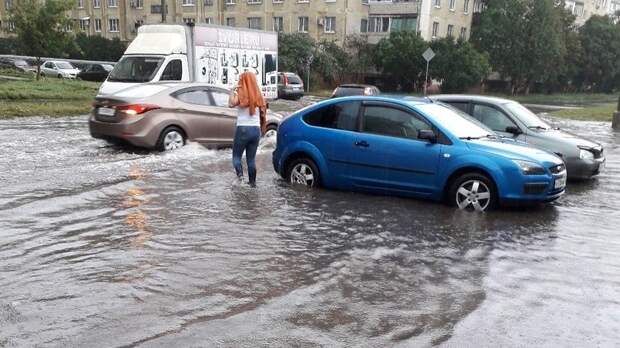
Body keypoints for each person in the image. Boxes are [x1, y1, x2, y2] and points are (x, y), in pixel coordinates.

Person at [228, 71, 267, 187]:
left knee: (236, 157)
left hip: (243, 129)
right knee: (251, 160)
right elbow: (263, 112)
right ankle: (253, 185)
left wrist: (232, 90)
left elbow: (230, 104)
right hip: (256, 130)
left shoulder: (241, 94)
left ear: (243, 80)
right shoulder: (258, 94)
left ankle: (240, 178)